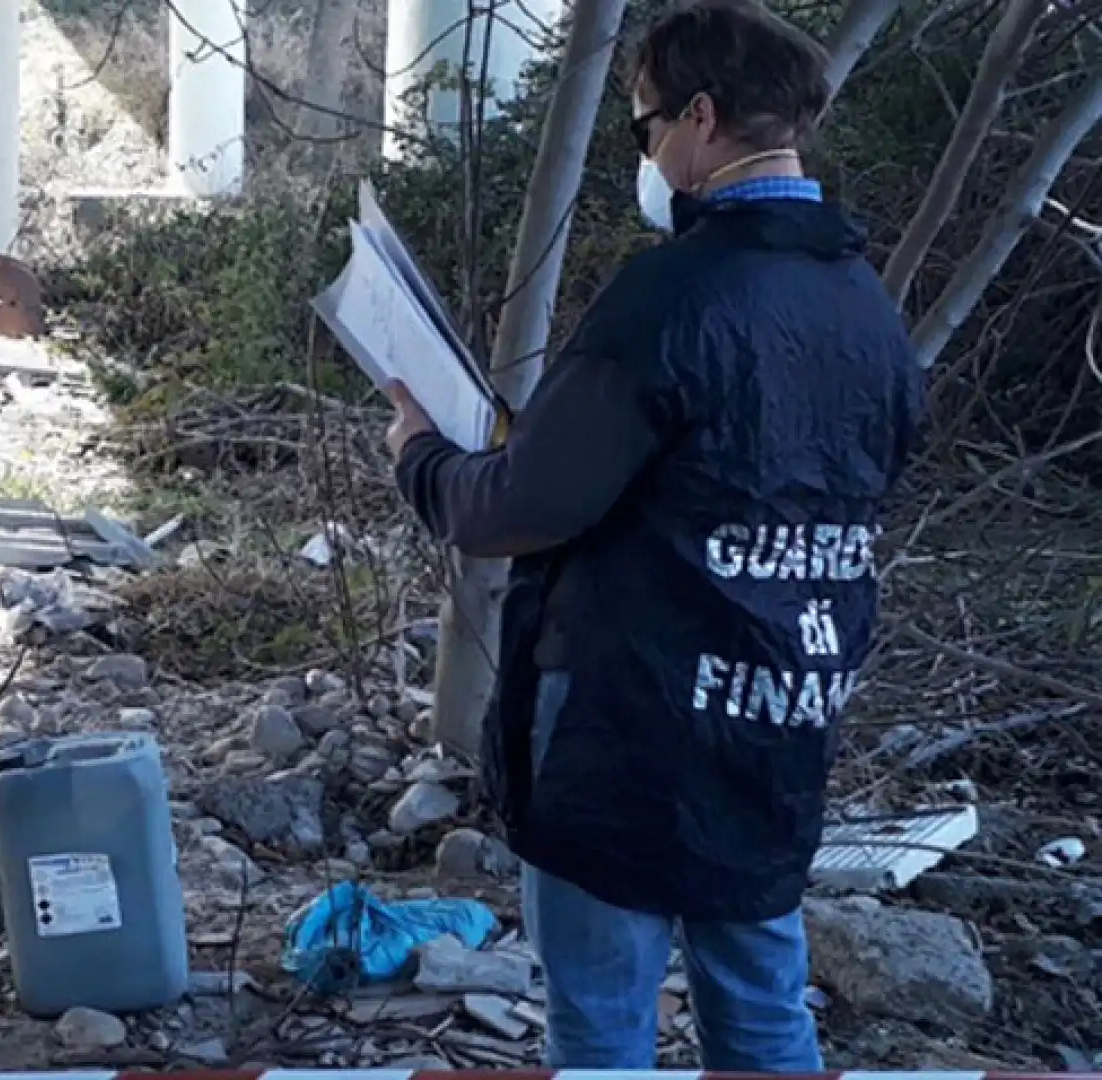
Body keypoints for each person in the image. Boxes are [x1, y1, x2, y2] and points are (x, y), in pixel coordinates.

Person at [383, 0, 923, 1070]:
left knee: (601, 1024)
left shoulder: (669, 299)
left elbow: (521, 509)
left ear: (704, 118)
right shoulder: (866, 304)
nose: (647, 155)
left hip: (626, 724)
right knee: (765, 1002)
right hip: (779, 707)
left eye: (646, 129)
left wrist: (422, 458)